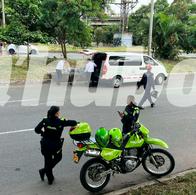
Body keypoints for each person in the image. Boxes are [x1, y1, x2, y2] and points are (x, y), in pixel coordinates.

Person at [35, 106, 77, 185]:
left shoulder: (45, 120)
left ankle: (49, 177)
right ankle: (45, 172)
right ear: (56, 113)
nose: (59, 113)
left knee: (47, 160)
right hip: (55, 146)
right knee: (58, 157)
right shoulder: (61, 121)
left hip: (45, 144)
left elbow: (36, 130)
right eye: (58, 112)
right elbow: (74, 122)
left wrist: (42, 133)